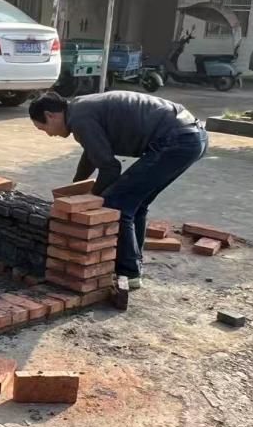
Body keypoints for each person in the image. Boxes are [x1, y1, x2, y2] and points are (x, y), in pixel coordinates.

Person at [28, 91, 208, 288]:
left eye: (43, 128)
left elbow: (110, 168)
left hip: (176, 141)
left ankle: (128, 273)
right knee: (136, 203)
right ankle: (134, 265)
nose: (49, 134)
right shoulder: (80, 109)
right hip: (193, 136)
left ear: (50, 115)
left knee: (116, 203)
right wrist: (76, 186)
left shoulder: (79, 118)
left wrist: (91, 199)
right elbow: (93, 153)